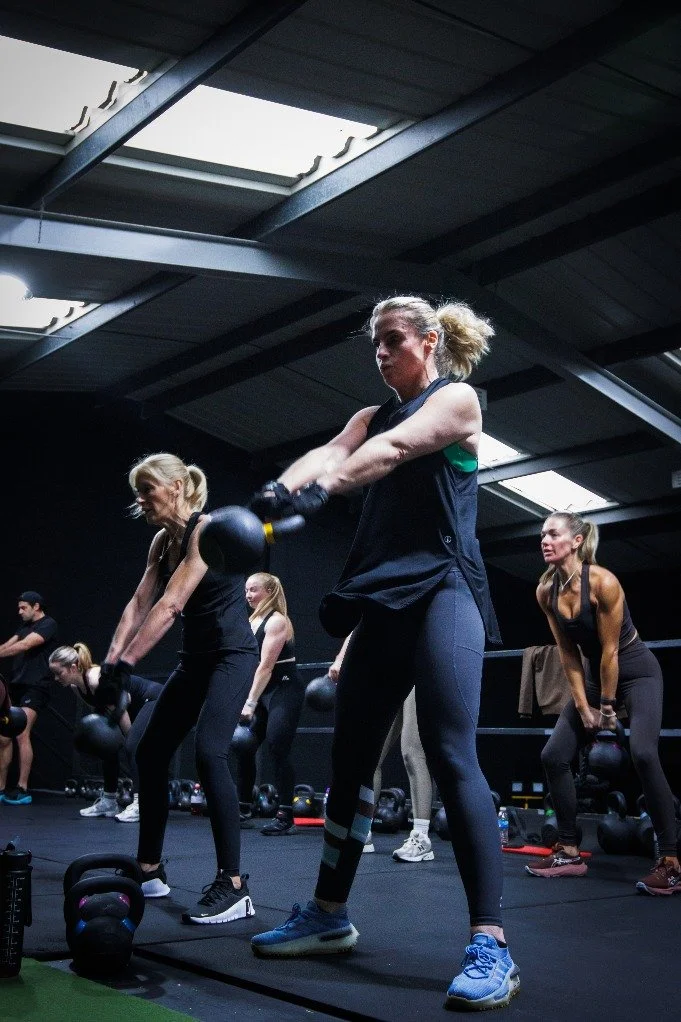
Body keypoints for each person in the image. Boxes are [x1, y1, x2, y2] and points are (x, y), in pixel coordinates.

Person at [248, 295, 519, 1010]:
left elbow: (392, 452)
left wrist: (322, 491)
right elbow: (333, 451)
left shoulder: (456, 399)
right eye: (374, 342)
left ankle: (491, 943)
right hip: (382, 600)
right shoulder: (369, 415)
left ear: (428, 341)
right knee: (349, 759)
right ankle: (328, 914)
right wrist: (279, 492)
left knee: (451, 752)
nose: (380, 353)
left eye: (393, 340)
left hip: (442, 590)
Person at [99, 452, 259, 924]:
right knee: (147, 750)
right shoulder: (161, 541)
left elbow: (170, 605)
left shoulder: (206, 532)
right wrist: (111, 661)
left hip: (232, 655)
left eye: (147, 490)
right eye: (138, 492)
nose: (141, 500)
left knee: (210, 753)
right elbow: (139, 602)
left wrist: (129, 662)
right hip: (195, 661)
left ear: (175, 487)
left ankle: (233, 885)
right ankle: (149, 869)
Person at [526, 511, 681, 895]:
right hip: (595, 677)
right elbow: (568, 654)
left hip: (637, 671)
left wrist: (608, 710)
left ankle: (671, 861)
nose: (545, 540)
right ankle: (568, 850)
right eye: (542, 535)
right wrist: (583, 707)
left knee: (643, 753)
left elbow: (611, 651)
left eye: (553, 534)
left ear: (576, 541)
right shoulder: (546, 591)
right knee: (553, 755)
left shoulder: (602, 582)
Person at [330, 635, 434, 861]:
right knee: (370, 756)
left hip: (418, 663)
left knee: (412, 753)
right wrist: (340, 659)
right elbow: (360, 625)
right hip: (389, 669)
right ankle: (362, 831)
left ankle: (421, 838)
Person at [49, 642, 163, 822]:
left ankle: (142, 803)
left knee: (134, 746)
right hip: (129, 706)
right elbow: (100, 713)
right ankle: (109, 802)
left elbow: (122, 706)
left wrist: (129, 739)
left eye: (58, 673)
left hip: (152, 698)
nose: (56, 678)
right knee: (107, 749)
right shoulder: (76, 687)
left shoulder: (95, 679)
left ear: (73, 668)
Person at [235, 572, 305, 835]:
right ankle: (243, 809)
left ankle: (286, 816)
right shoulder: (251, 621)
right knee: (244, 746)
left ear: (269, 592)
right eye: (246, 590)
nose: (248, 595)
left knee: (277, 747)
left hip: (283, 689)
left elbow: (265, 667)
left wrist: (250, 703)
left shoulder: (277, 621)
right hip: (261, 690)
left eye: (253, 590)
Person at [0, 591, 59, 805]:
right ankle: (1, 787)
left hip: (36, 686)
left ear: (36, 607)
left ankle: (22, 787)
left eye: (23, 607)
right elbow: (8, 645)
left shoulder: (48, 624)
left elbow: (25, 645)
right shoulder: (24, 627)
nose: (19, 611)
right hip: (16, 685)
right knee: (3, 737)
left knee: (21, 733)